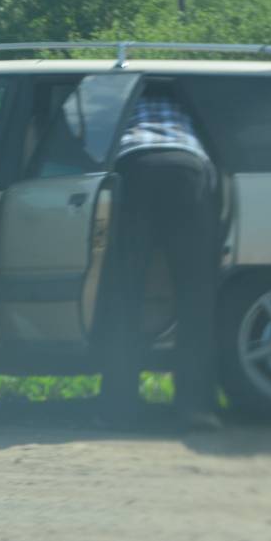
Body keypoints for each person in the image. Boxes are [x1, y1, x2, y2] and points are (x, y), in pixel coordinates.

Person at [99, 82, 223, 428]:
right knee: (196, 298)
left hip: (135, 166)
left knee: (125, 295)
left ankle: (119, 408)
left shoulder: (118, 103)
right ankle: (195, 409)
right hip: (187, 167)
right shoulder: (185, 104)